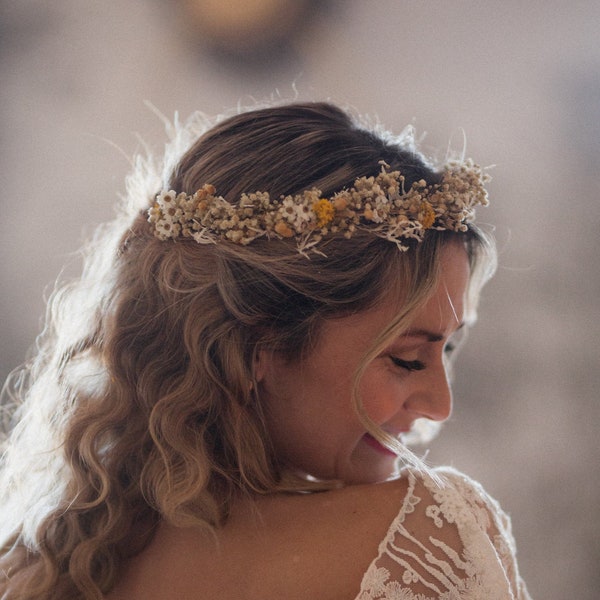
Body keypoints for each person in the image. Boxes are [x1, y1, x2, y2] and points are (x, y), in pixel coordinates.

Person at [0, 102, 531, 599]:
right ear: (261, 344)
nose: (440, 405)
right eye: (407, 359)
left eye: (450, 349)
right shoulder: (429, 541)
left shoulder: (39, 569)